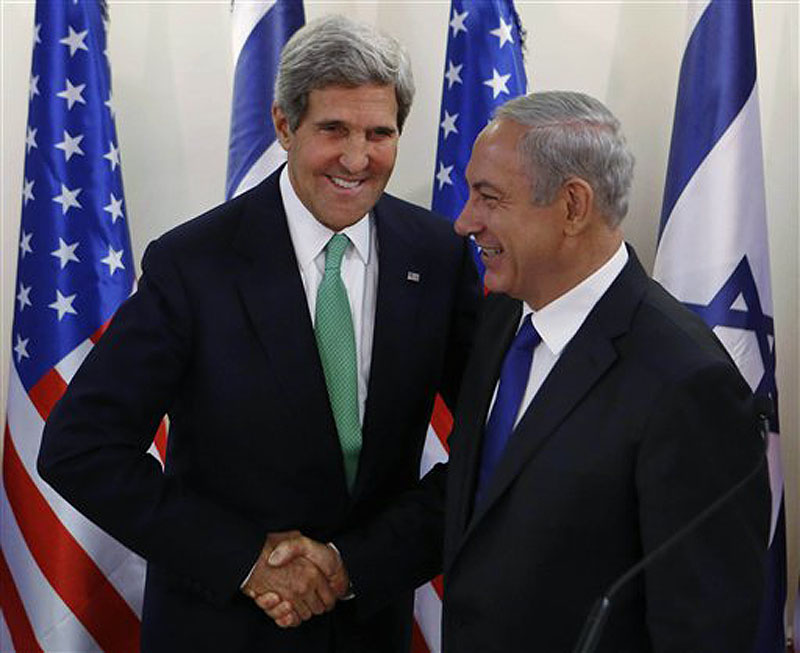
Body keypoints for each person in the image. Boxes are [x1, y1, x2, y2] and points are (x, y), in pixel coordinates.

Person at [265, 91, 770, 652]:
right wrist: (345, 565)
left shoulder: (686, 383)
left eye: (488, 198)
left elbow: (705, 627)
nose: (463, 223)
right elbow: (477, 497)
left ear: (573, 206)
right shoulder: (504, 317)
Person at [37, 14, 480, 653]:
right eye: (334, 129)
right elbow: (79, 447)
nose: (358, 158)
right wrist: (245, 561)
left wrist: (358, 563)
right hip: (220, 630)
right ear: (283, 125)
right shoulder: (194, 265)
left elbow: (491, 442)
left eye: (379, 133)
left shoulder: (436, 255)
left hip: (369, 627)